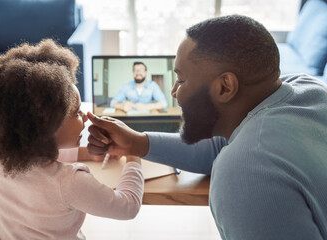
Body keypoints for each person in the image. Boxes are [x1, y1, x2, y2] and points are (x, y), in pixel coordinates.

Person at [87, 15, 327, 239]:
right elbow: (220, 147)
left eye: (181, 81)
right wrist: (137, 143)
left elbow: (240, 155)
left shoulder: (246, 170)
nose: (174, 93)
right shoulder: (307, 88)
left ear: (224, 87)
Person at [0, 39, 144, 239]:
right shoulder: (70, 182)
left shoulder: (3, 162)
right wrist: (133, 155)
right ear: (46, 126)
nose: (85, 116)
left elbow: (40, 163)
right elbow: (127, 206)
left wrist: (85, 153)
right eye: (77, 112)